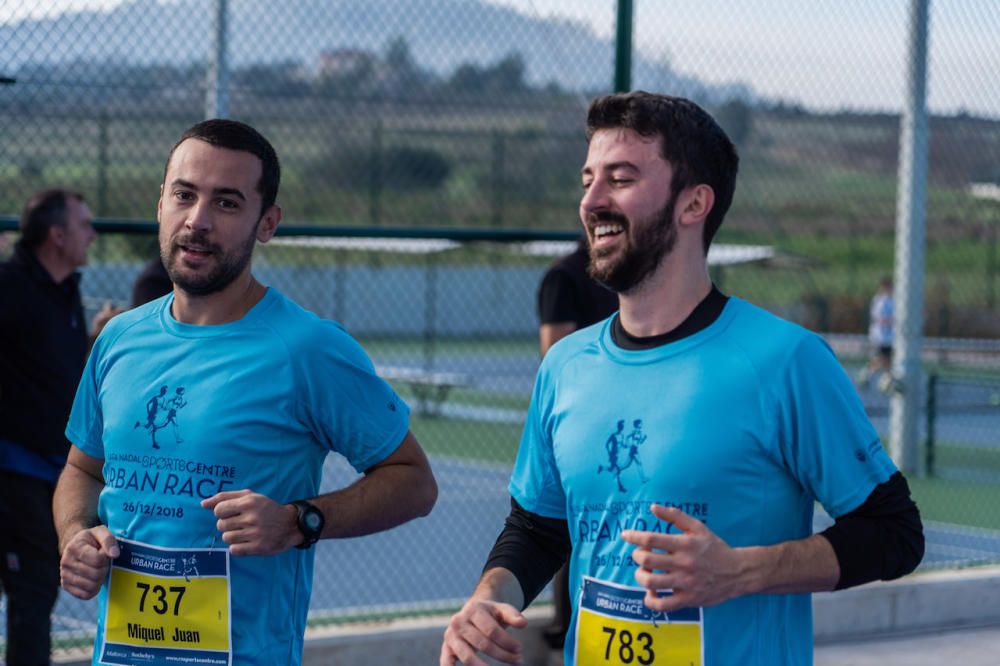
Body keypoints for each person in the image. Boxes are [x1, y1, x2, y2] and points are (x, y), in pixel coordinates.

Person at [440, 92, 924, 666]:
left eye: (620, 179)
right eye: (588, 179)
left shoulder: (784, 361)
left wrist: (742, 572)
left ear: (693, 203)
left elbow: (895, 533)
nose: (591, 201)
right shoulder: (565, 366)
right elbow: (539, 526)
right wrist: (487, 598)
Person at [53, 119, 438, 666]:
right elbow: (82, 470)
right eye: (184, 195)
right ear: (160, 202)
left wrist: (298, 520)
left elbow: (415, 482)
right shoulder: (119, 338)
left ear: (267, 222)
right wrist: (74, 535)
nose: (198, 221)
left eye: (227, 203)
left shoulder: (309, 349)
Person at [0, 189, 119, 665]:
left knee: (34, 603)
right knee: (31, 602)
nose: (92, 234)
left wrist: (94, 340)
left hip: (45, 473)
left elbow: (53, 375)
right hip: (14, 476)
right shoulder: (9, 289)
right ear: (57, 235)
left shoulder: (62, 292)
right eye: (84, 225)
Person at [536, 237, 618, 649]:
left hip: (615, 423)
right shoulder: (565, 277)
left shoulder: (624, 280)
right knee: (568, 529)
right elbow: (557, 359)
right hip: (588, 426)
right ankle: (568, 626)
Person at [862, 276, 894, 391]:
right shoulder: (881, 301)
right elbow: (879, 318)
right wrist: (893, 321)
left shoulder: (891, 300)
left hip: (890, 336)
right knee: (884, 359)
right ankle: (869, 375)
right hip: (882, 336)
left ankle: (882, 378)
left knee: (887, 359)